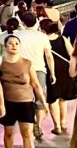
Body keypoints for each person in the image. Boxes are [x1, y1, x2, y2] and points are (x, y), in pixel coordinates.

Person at [0, 33, 44, 148]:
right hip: (8, 103)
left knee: (27, 134)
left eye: (16, 44)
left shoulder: (27, 63)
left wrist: (43, 102)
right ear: (5, 46)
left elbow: (35, 84)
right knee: (9, 133)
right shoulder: (0, 62)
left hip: (26, 102)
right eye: (10, 43)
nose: (14, 46)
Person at [13, 11, 55, 141]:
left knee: (25, 98)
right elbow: (48, 56)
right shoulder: (42, 37)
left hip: (21, 69)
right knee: (40, 98)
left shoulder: (16, 35)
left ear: (22, 22)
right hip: (39, 69)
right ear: (36, 21)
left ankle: (29, 124)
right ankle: (38, 123)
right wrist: (52, 73)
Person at [42, 18, 77, 135]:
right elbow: (72, 53)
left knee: (53, 98)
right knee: (63, 99)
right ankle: (63, 122)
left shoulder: (42, 41)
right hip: (65, 70)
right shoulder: (62, 39)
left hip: (51, 70)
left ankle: (56, 125)